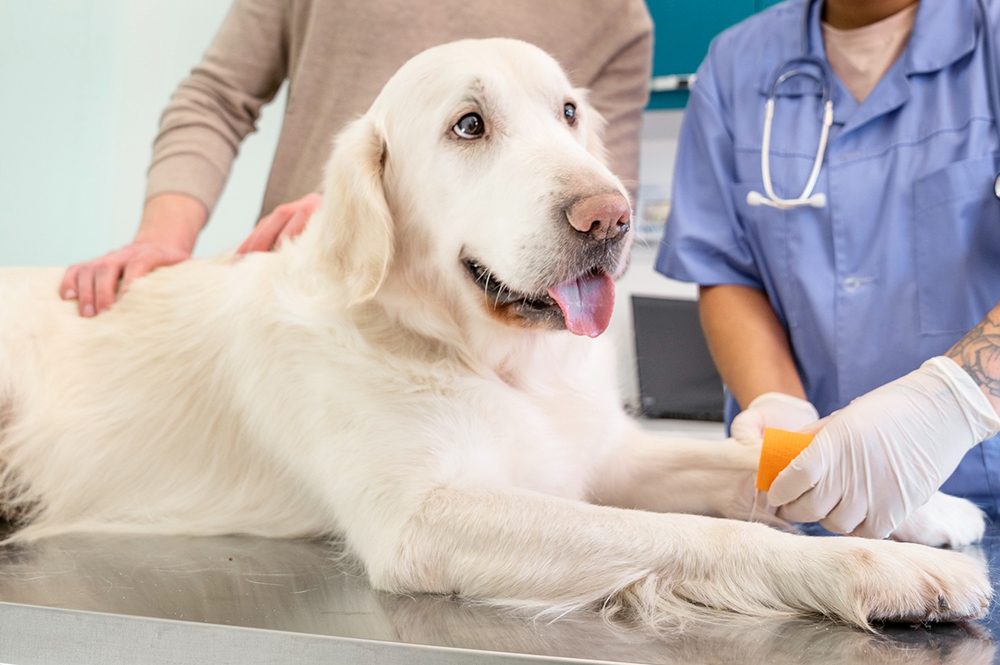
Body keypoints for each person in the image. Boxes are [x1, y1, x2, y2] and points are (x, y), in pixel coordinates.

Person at [61, 0, 653, 317]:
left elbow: (602, 191)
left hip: (495, 336)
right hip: (313, 295)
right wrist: (161, 239)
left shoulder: (618, 16)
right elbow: (217, 98)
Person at [657, 0, 1000, 536]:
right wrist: (778, 404)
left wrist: (952, 403)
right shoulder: (735, 62)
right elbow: (728, 271)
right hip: (812, 504)